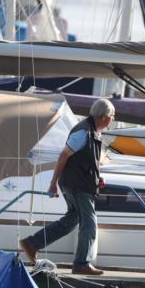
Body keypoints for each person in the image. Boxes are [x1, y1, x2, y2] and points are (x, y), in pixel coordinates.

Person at [19, 98, 115, 275]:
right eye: (112, 116)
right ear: (103, 117)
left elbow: (86, 160)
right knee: (89, 224)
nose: (112, 120)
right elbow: (63, 156)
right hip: (78, 185)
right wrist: (52, 183)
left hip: (79, 183)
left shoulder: (92, 131)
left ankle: (32, 243)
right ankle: (81, 263)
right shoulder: (84, 132)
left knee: (71, 220)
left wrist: (97, 178)